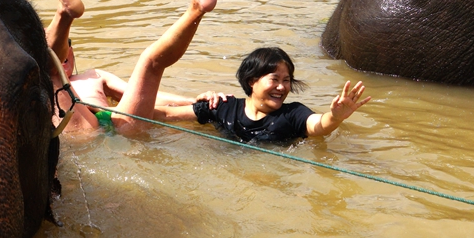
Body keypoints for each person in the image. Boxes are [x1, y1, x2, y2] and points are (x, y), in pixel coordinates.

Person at [44, 0, 219, 134]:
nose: (63, 60)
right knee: (51, 73)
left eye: (65, 53)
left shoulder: (93, 76)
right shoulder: (45, 84)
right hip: (83, 130)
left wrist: (195, 101)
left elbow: (141, 95)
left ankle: (197, 8)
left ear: (71, 54)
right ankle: (64, 12)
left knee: (150, 61)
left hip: (122, 124)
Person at [154, 47, 372, 143]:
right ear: (252, 81)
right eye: (274, 79)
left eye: (286, 80)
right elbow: (165, 115)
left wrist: (334, 117)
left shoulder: (292, 114)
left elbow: (318, 126)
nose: (281, 87)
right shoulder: (222, 106)